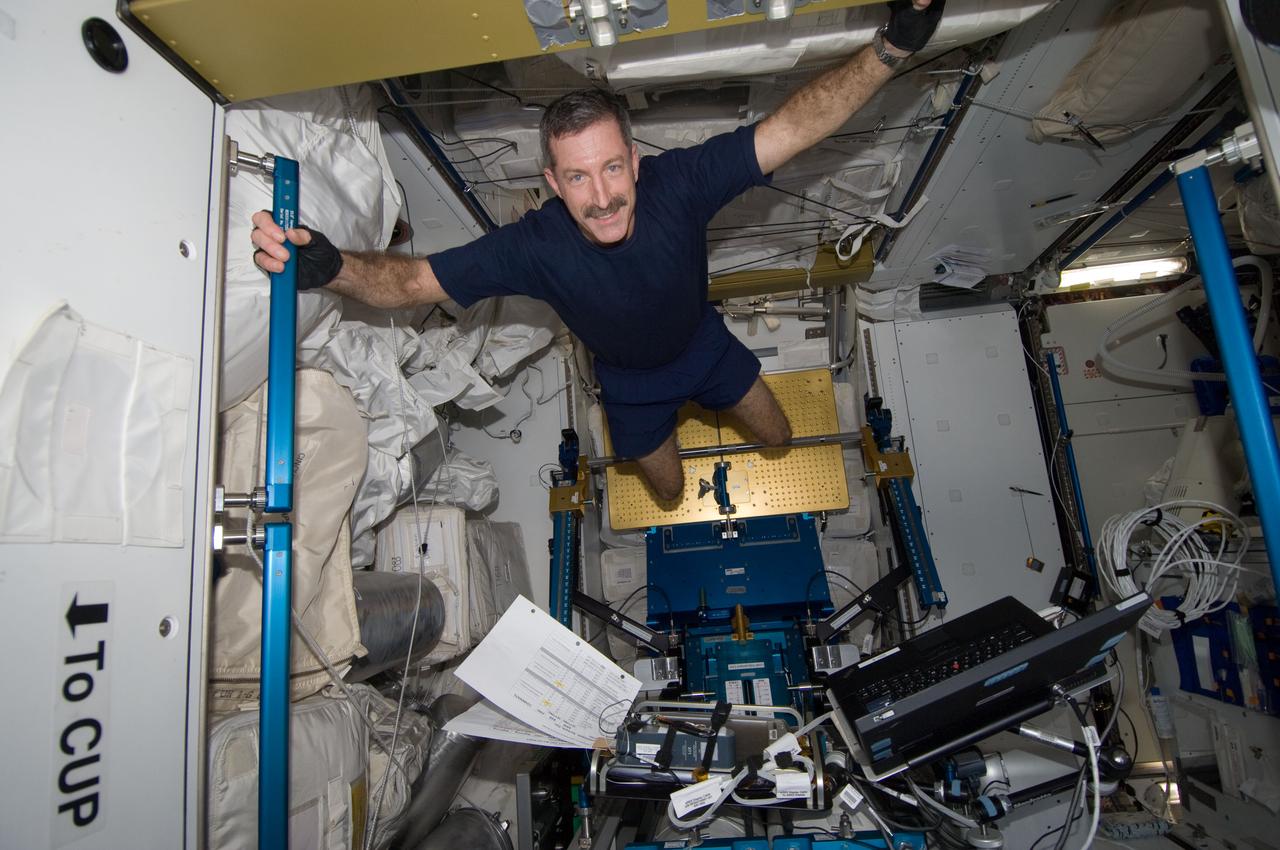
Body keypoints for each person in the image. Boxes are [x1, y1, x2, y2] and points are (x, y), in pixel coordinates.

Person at [253, 0, 943, 502]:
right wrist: (334, 268)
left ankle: (743, 425)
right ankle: (673, 446)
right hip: (629, 384)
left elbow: (793, 128)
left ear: (635, 160)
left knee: (780, 439)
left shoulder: (680, 184)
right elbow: (412, 284)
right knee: (669, 493)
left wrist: (894, 48)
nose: (602, 195)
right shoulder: (535, 246)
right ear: (552, 183)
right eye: (578, 177)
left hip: (703, 344)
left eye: (612, 168)